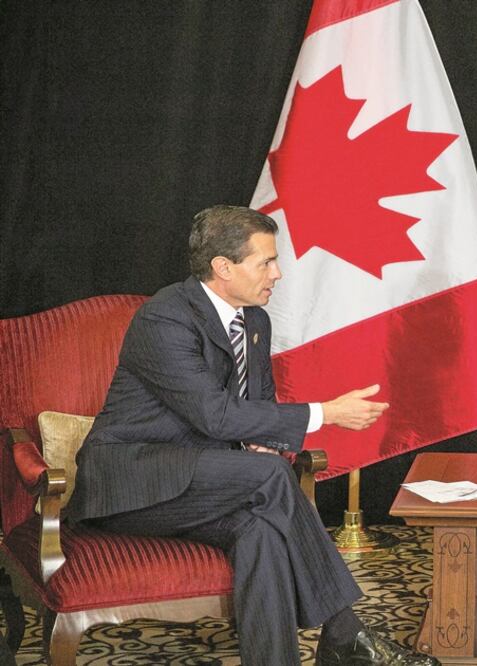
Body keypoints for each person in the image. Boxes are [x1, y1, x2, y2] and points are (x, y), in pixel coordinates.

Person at [67, 205, 438, 666]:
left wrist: (265, 442)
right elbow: (216, 417)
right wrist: (326, 413)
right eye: (266, 261)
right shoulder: (164, 319)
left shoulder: (254, 322)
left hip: (202, 484)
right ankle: (344, 632)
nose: (278, 273)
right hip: (130, 483)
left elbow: (256, 408)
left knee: (260, 529)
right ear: (223, 268)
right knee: (269, 477)